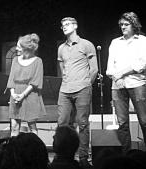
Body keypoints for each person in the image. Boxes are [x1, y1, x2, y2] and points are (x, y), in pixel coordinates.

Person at [57, 17, 98, 169]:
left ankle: (83, 157)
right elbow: (63, 69)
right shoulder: (61, 48)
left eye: (67, 24)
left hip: (82, 89)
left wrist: (86, 84)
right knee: (62, 123)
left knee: (82, 123)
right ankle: (63, 157)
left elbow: (94, 69)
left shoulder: (86, 44)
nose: (64, 27)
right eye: (62, 25)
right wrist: (67, 81)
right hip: (65, 90)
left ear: (75, 26)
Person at [106, 12, 146, 154]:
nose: (123, 27)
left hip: (137, 84)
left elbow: (141, 64)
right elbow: (110, 68)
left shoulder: (142, 41)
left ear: (134, 25)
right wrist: (118, 78)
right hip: (117, 86)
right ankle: (126, 154)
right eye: (121, 24)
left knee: (144, 120)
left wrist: (122, 73)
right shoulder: (115, 42)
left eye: (126, 24)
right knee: (122, 123)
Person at [6, 33, 46, 136]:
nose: (17, 49)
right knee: (14, 127)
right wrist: (13, 94)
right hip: (15, 95)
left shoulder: (38, 61)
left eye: (19, 47)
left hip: (30, 94)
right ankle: (14, 150)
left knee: (32, 127)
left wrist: (22, 95)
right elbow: (11, 79)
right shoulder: (15, 60)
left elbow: (35, 82)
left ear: (27, 49)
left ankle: (35, 150)